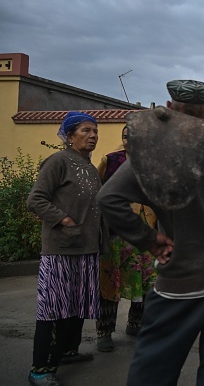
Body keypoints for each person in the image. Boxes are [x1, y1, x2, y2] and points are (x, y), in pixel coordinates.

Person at [97, 80, 204, 386]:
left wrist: (149, 240)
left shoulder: (152, 155)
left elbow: (108, 199)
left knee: (154, 369)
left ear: (172, 108)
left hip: (182, 282)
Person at [26, 111, 106, 386]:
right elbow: (35, 199)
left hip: (85, 247)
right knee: (54, 307)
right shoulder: (58, 161)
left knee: (77, 304)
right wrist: (63, 218)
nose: (93, 135)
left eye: (95, 131)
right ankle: (40, 369)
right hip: (61, 247)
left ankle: (68, 351)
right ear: (70, 136)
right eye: (86, 131)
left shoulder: (89, 167)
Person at [95, 125, 158, 352]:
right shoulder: (111, 161)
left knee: (145, 282)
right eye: (125, 137)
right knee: (111, 282)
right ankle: (104, 332)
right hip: (116, 233)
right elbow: (99, 194)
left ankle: (135, 323)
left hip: (146, 231)